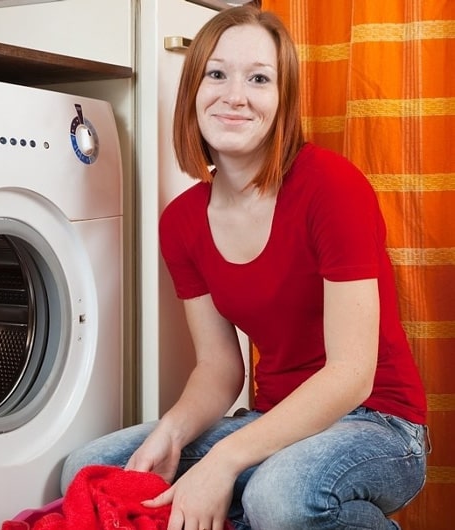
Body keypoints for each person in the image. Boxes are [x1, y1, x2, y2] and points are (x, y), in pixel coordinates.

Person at [60, 5, 429, 530]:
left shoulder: (332, 187)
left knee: (277, 496)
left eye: (259, 79)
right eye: (217, 74)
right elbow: (219, 367)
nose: (235, 95)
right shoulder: (182, 221)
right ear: (193, 89)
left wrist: (225, 460)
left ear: (283, 101)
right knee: (89, 468)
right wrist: (172, 431)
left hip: (379, 423)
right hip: (275, 421)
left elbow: (351, 375)